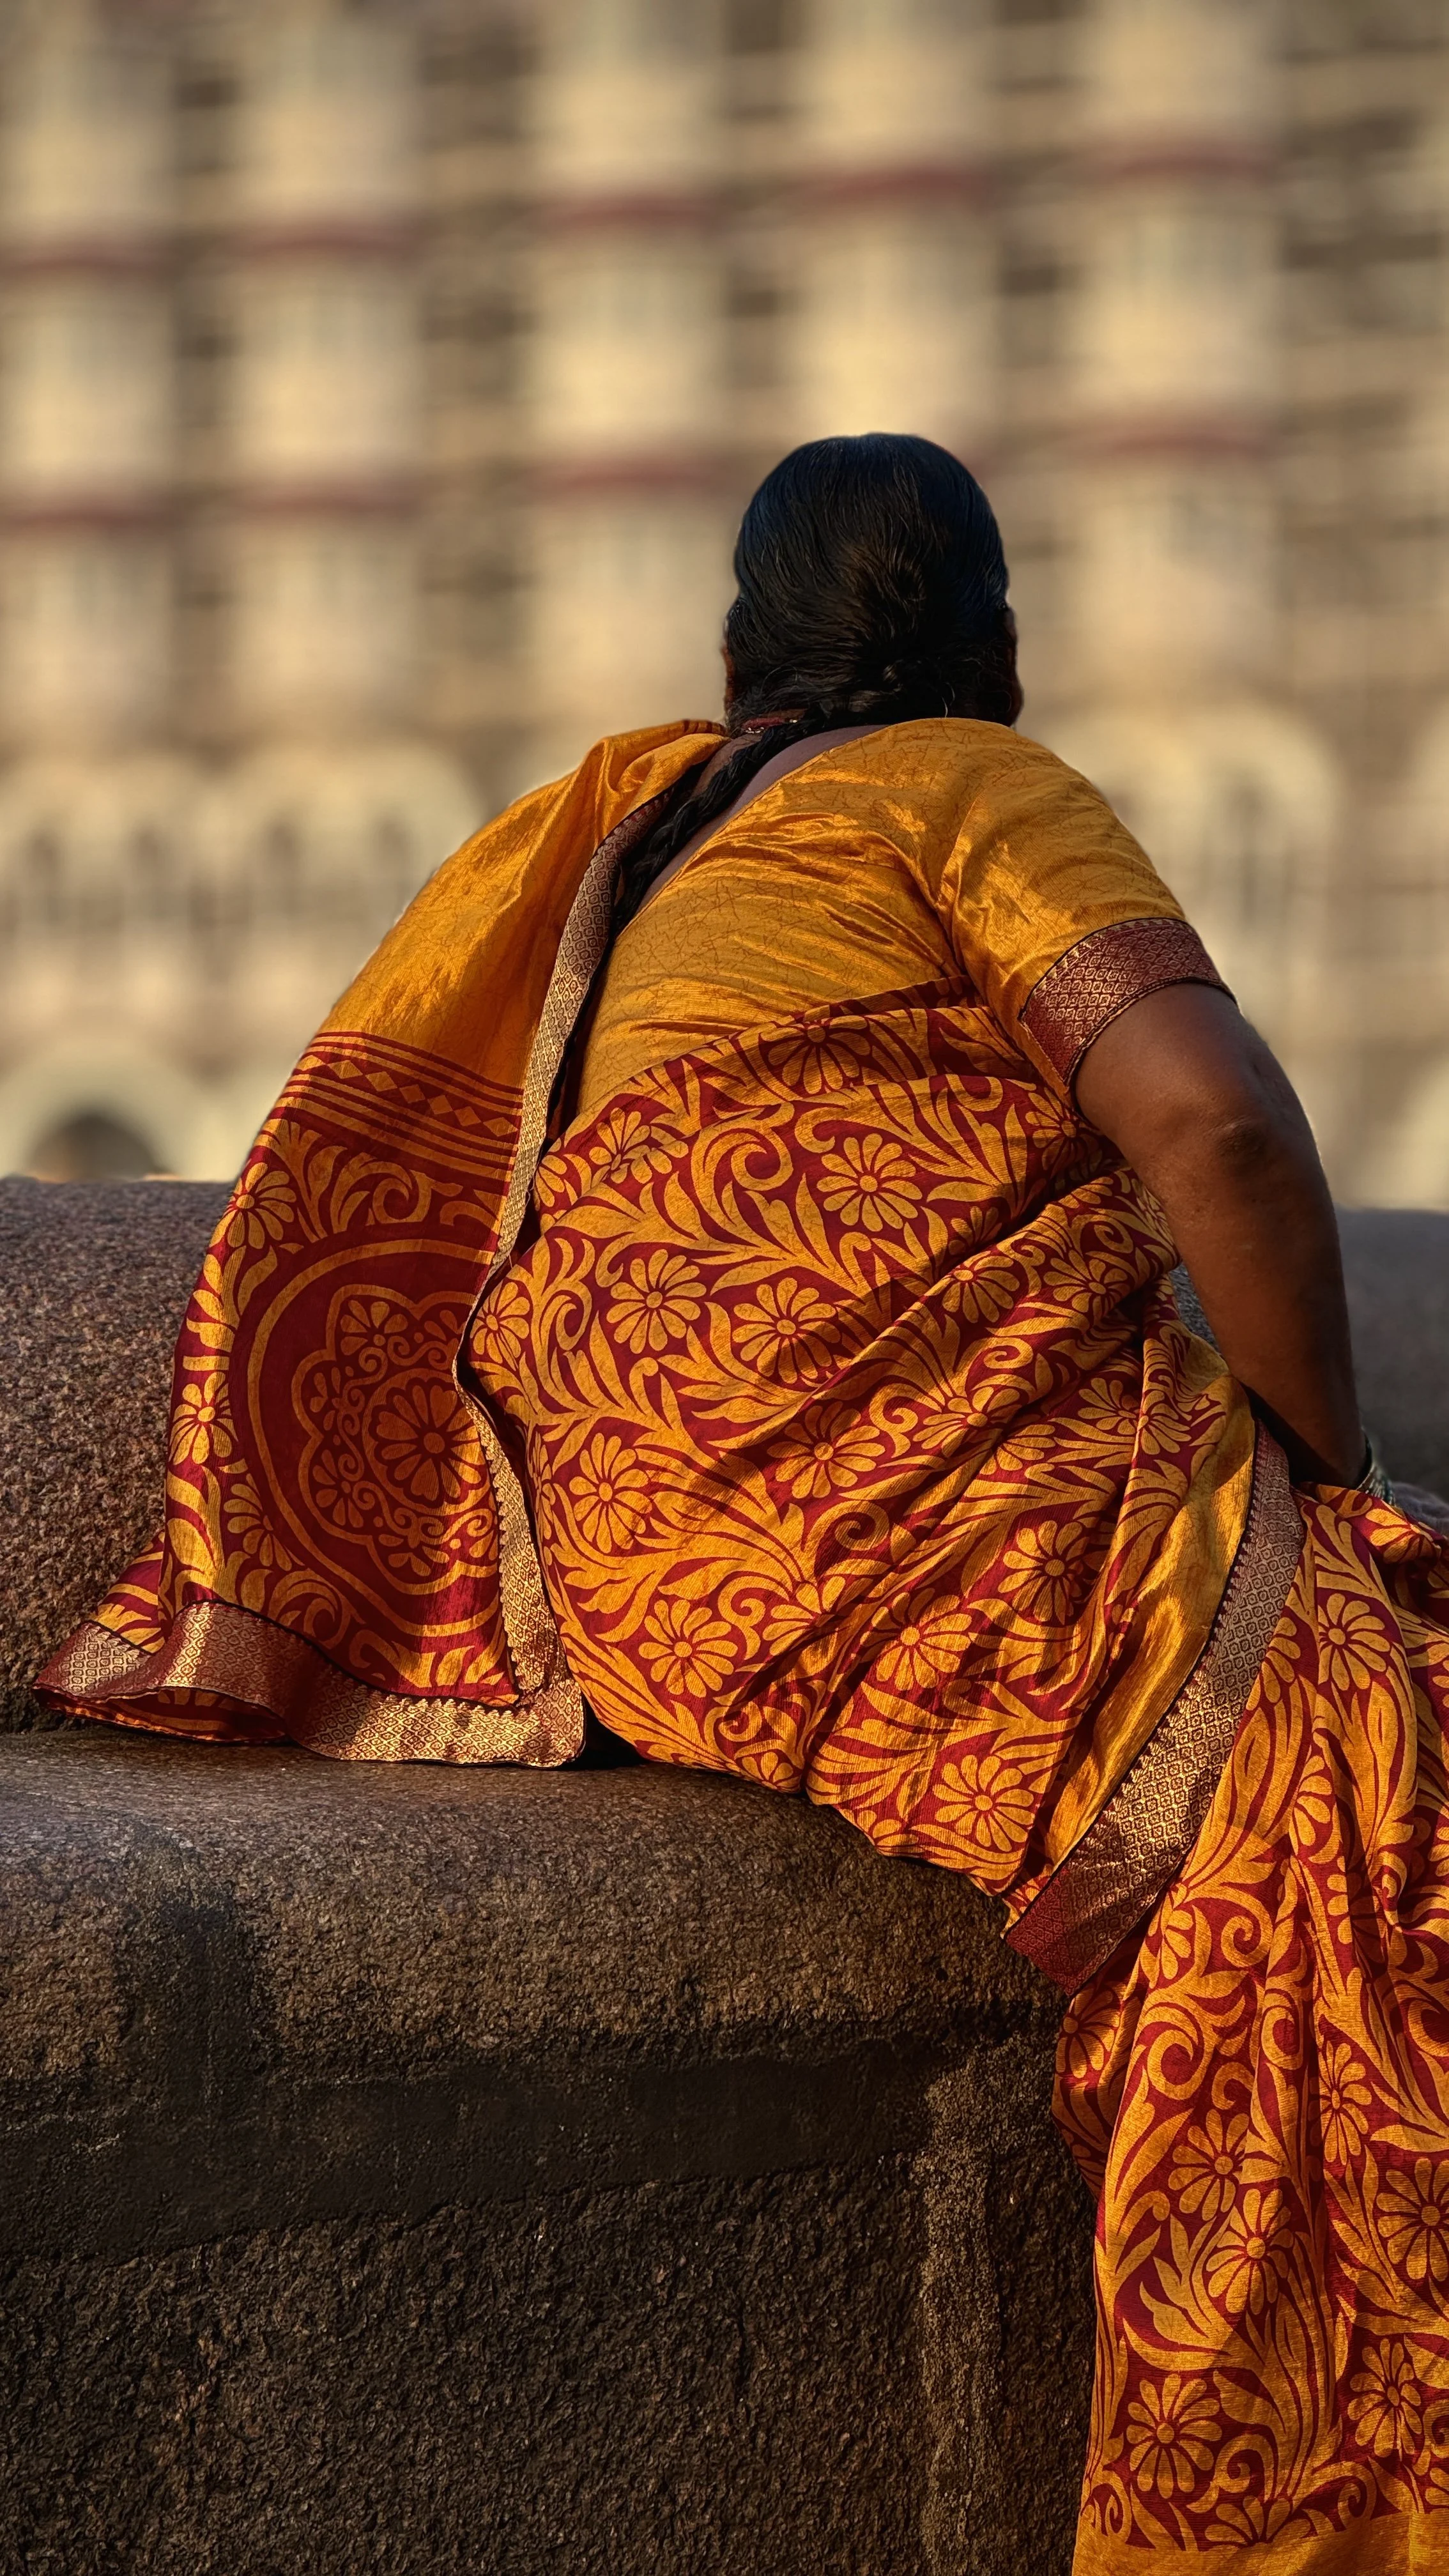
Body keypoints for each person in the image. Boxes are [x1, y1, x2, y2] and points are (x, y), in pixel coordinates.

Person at [40, 433, 1449, 2571]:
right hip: (909, 1528)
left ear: (740, 653)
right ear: (994, 653)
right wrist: (1319, 1481)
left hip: (654, 1588)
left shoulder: (639, 843)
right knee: (1371, 1758)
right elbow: (1226, 1139)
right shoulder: (970, 789)